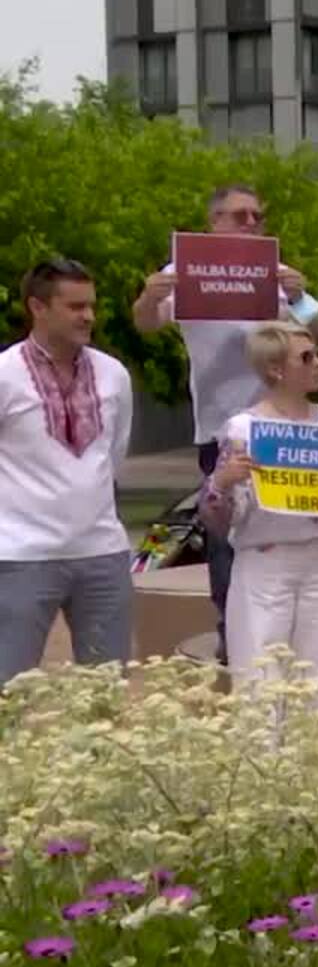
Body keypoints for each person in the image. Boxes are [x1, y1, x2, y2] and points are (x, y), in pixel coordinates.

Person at [132, 184, 318, 661]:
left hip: (282, 425)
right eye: (240, 215)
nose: (252, 223)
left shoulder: (274, 273)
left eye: (257, 215)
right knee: (224, 537)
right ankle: (232, 638)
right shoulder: (187, 267)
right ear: (213, 221)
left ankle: (286, 636)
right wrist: (150, 297)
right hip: (221, 430)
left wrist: (300, 298)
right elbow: (146, 323)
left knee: (288, 530)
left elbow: (317, 335)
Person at [199, 323, 318, 696]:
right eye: (306, 357)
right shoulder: (244, 429)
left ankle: (314, 735)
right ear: (275, 369)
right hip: (267, 561)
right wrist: (223, 482)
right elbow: (218, 518)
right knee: (260, 674)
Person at [0, 260, 135, 684]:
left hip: (103, 551)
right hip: (21, 554)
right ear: (38, 307)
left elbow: (114, 454)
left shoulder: (113, 374)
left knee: (106, 690)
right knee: (9, 691)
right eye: (75, 307)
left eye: (91, 305)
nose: (89, 316)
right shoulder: (5, 375)